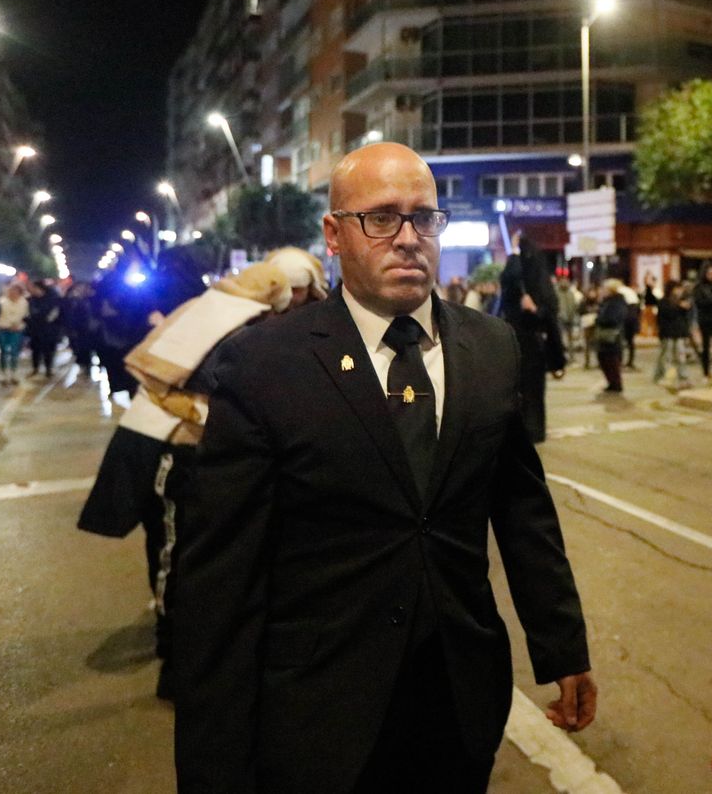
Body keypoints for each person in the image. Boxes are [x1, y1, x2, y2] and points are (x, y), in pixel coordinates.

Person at [175, 142, 595, 793]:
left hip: (459, 703)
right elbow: (218, 580)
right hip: (319, 711)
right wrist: (212, 762)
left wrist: (561, 644)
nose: (407, 238)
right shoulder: (265, 364)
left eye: (423, 217)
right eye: (381, 218)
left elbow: (520, 507)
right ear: (334, 234)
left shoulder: (491, 346)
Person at [79, 248, 327, 700]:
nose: (299, 303)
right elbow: (200, 379)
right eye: (296, 294)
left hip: (221, 458)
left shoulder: (224, 310)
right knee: (180, 554)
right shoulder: (235, 323)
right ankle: (176, 653)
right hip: (181, 456)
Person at [499, 231, 566, 445]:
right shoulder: (531, 282)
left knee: (529, 391)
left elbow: (548, 312)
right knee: (526, 391)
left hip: (528, 343)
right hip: (526, 344)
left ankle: (532, 430)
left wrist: (535, 309)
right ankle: (529, 429)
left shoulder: (531, 282)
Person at [654, 280, 694, 387]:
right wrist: (679, 307)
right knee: (666, 356)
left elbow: (685, 318)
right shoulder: (664, 301)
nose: (679, 291)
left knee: (681, 356)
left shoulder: (682, 301)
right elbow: (666, 315)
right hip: (668, 333)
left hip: (679, 333)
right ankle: (662, 376)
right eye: (677, 288)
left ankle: (683, 377)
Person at [593, 278, 628, 394]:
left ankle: (616, 384)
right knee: (603, 359)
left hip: (612, 336)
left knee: (611, 361)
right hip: (605, 335)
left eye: (604, 289)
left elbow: (613, 318)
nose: (602, 291)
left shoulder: (617, 302)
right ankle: (611, 383)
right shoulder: (606, 301)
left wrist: (599, 319)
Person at [26, 279, 64, 378]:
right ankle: (35, 368)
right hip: (35, 329)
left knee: (48, 350)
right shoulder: (31, 299)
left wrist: (45, 319)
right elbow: (29, 313)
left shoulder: (53, 298)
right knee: (35, 350)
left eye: (34, 288)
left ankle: (48, 369)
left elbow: (54, 313)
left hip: (49, 329)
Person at [0, 281, 29, 386]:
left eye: (16, 291)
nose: (13, 293)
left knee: (14, 351)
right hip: (2, 328)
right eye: (11, 290)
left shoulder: (24, 303)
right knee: (3, 351)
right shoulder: (1, 302)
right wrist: (9, 323)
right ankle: (4, 374)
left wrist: (17, 324)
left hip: (17, 329)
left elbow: (25, 316)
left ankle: (14, 374)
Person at [694, 262, 712, 379]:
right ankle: (706, 372)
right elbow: (699, 303)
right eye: (709, 273)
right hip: (705, 319)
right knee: (706, 346)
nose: (711, 275)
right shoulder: (699, 287)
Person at [619, 278, 641, 368]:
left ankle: (620, 361)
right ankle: (630, 361)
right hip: (633, 316)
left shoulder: (620, 291)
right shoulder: (631, 292)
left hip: (624, 318)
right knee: (630, 342)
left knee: (620, 341)